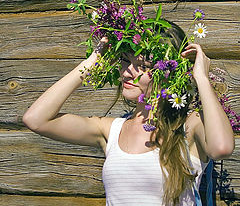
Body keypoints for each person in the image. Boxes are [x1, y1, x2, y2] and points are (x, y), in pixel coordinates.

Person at [23, 22, 235, 205]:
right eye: (125, 61)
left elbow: (222, 148)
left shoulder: (188, 127)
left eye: (141, 65)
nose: (126, 72)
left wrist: (202, 78)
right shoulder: (110, 130)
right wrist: (93, 60)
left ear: (170, 72)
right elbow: (36, 119)